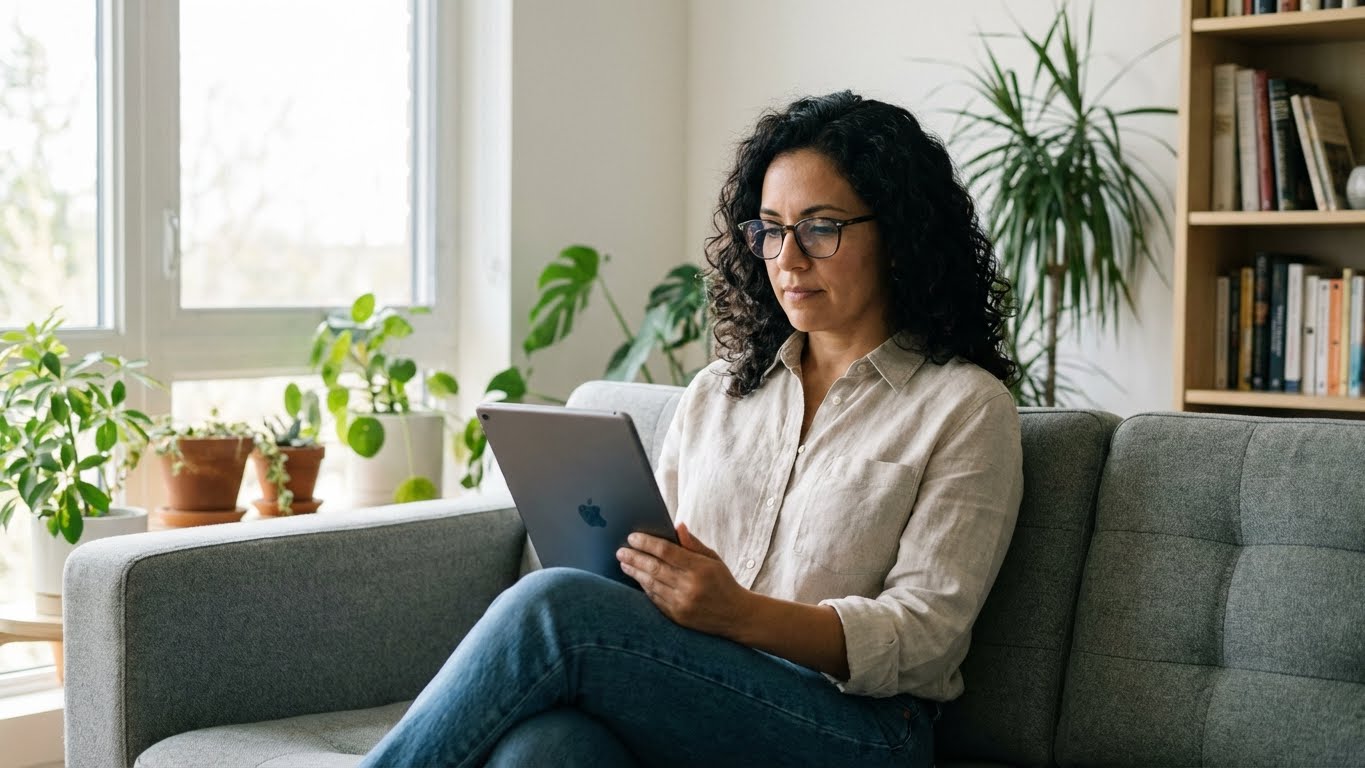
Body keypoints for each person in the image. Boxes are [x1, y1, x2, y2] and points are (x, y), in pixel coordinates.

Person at [359, 90, 1024, 768]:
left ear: (900, 237)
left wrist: (740, 614)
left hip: (865, 729)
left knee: (553, 606)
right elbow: (659, 562)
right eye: (770, 229)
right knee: (547, 749)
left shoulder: (965, 408)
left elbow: (925, 637)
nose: (788, 259)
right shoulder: (719, 391)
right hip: (705, 687)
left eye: (820, 228)